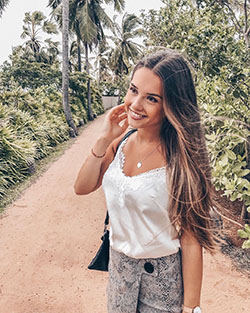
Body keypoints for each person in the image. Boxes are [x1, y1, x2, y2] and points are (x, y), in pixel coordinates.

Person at [74, 49, 216, 313]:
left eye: (151, 98)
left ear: (171, 105)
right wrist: (103, 140)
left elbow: (190, 239)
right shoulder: (121, 143)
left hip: (162, 281)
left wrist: (191, 308)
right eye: (133, 90)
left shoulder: (182, 161)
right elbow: (82, 187)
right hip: (119, 275)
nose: (136, 104)